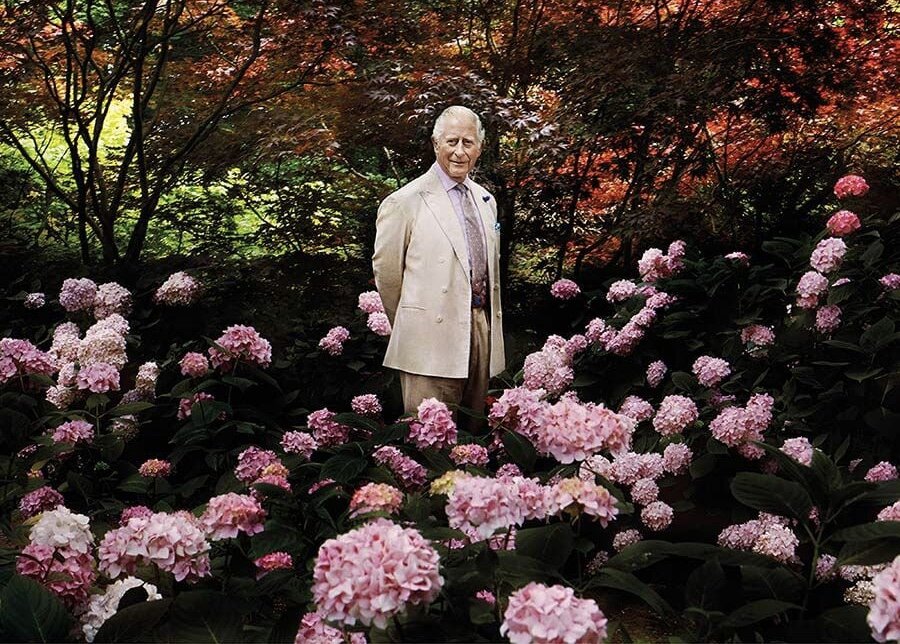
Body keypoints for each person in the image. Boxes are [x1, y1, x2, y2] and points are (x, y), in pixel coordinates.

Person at [372, 105, 505, 426]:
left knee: (473, 434)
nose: (460, 152)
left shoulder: (486, 200)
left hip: (479, 329)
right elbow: (387, 276)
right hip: (427, 339)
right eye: (451, 141)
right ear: (435, 144)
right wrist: (414, 322)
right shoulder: (405, 202)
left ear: (479, 148)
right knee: (428, 436)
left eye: (468, 143)